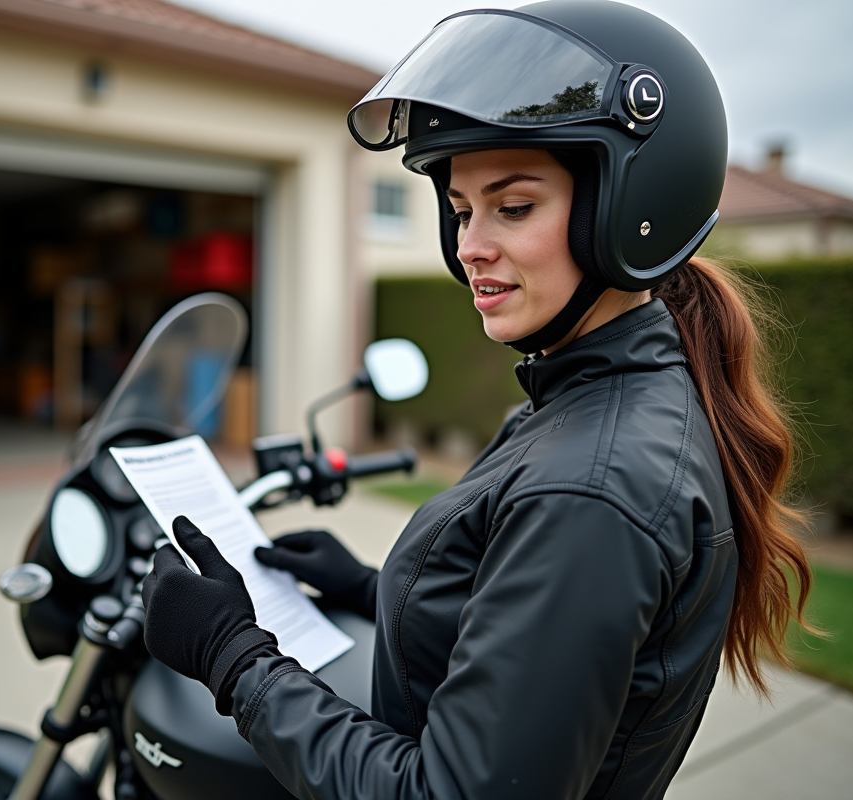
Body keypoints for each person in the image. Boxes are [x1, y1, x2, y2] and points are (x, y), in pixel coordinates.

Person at [141, 3, 815, 798]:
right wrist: (369, 585)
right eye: (461, 211)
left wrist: (233, 656)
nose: (470, 245)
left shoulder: (592, 489)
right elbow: (518, 636)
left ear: (631, 207)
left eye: (514, 206)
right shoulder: (584, 400)